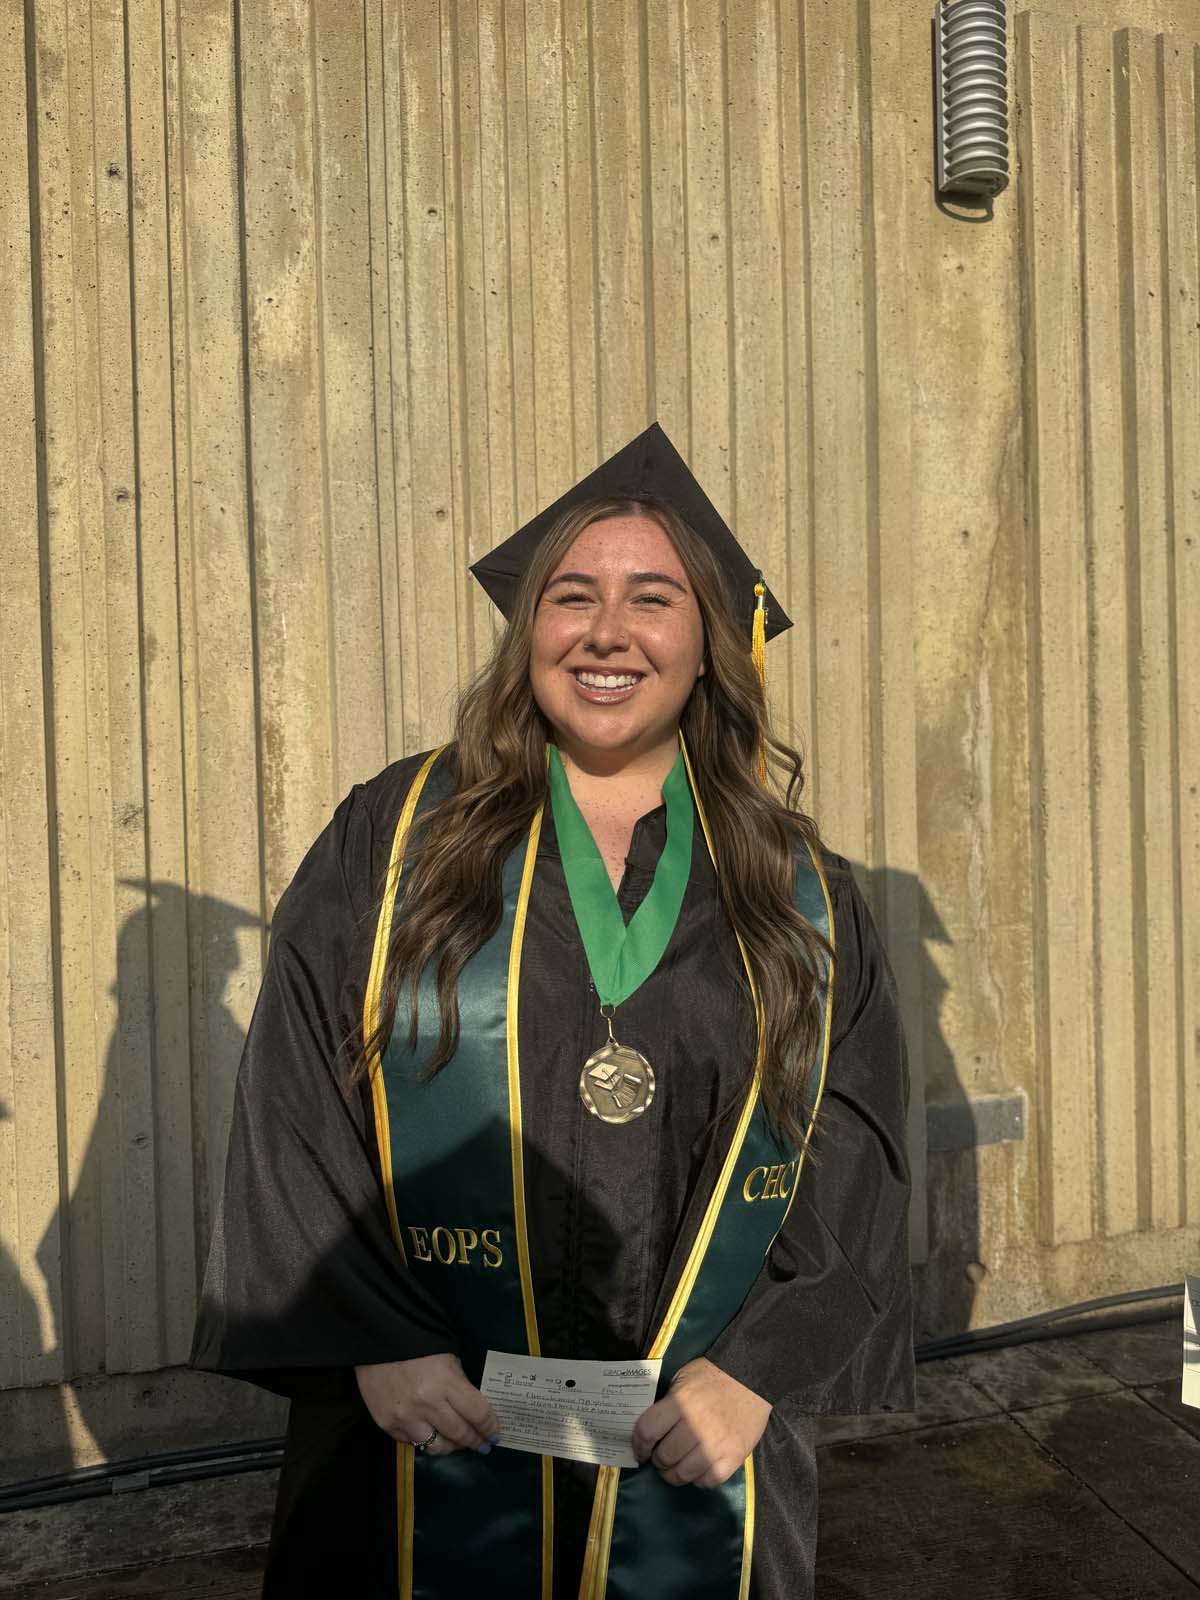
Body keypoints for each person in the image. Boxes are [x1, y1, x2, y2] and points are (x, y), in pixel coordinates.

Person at [191, 423, 915, 1598]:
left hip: (696, 1437)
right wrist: (379, 1338)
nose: (607, 632)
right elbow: (291, 1097)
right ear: (529, 631)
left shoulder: (798, 889)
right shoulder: (395, 837)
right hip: (431, 1419)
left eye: (653, 599)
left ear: (709, 644)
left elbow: (856, 1136)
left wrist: (756, 1370)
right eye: (572, 596)